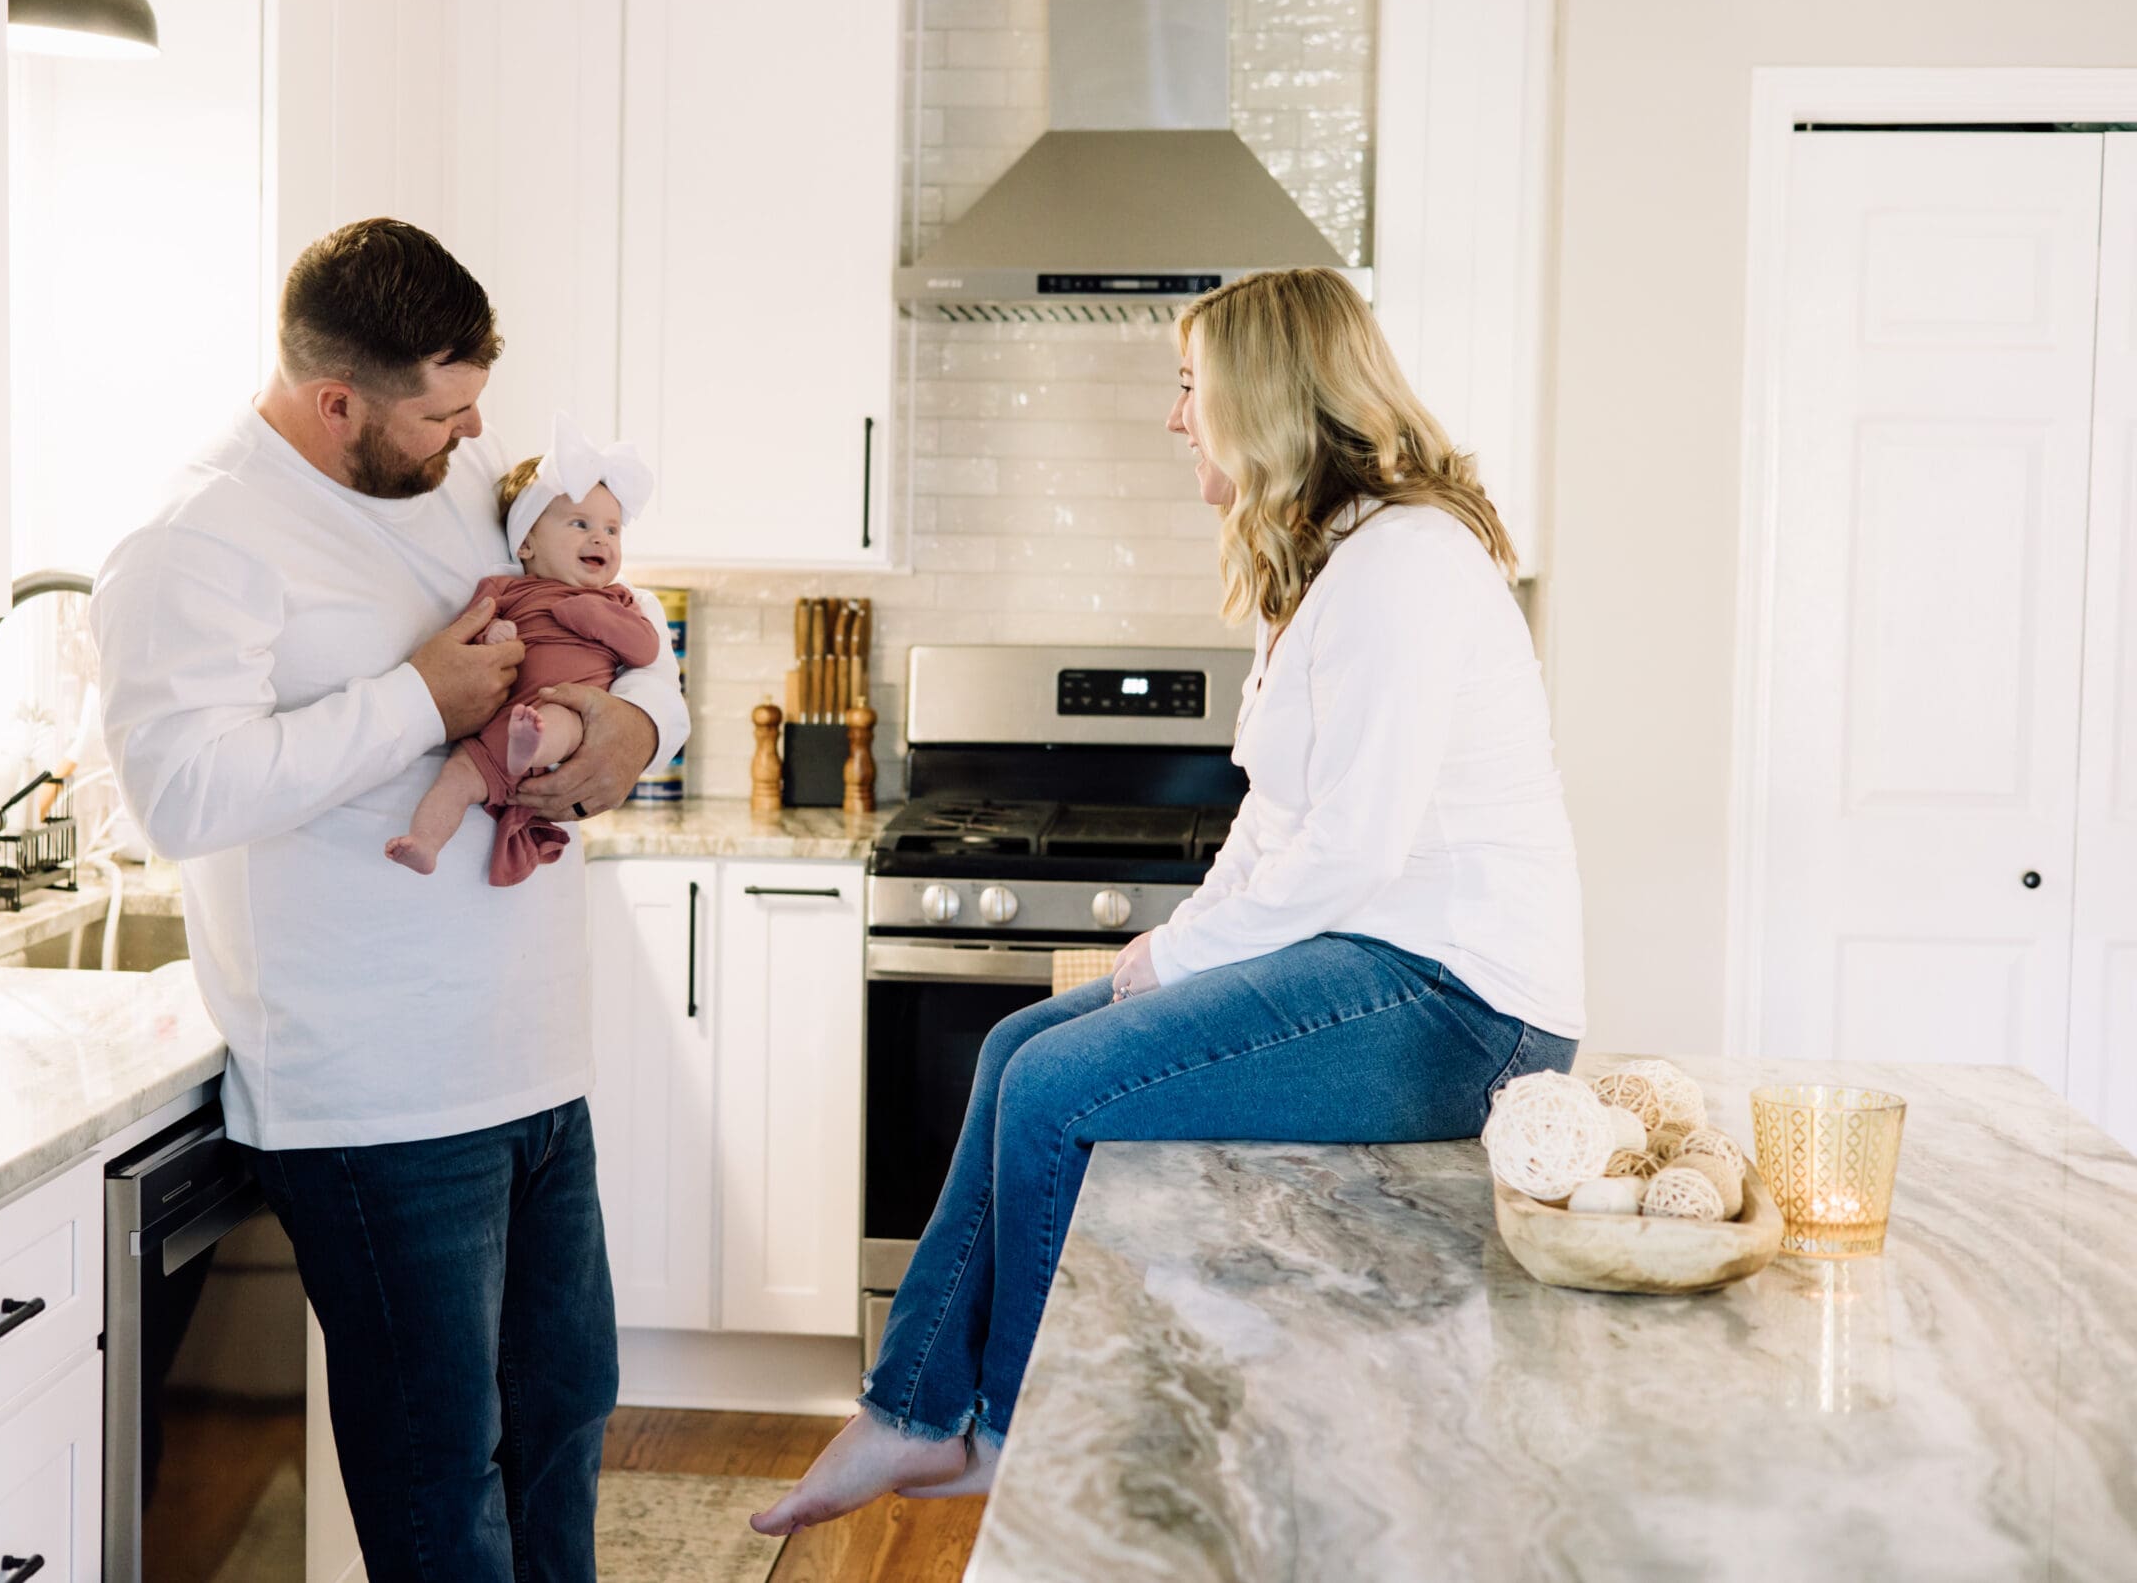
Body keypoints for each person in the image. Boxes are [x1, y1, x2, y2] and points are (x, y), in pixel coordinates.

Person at [752, 266, 1585, 1534]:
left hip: (1462, 1005)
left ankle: (1015, 1434)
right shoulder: (1327, 561)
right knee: (1019, 1042)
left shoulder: (1406, 564)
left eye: (1191, 385)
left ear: (1264, 397)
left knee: (1054, 1083)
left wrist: (1176, 965)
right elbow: (1273, 814)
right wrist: (1173, 943)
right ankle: (912, 1411)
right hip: (1383, 962)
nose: (1175, 415)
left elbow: (1354, 844)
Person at [93, 218, 688, 1581]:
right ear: (334, 399)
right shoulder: (199, 540)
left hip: (533, 1061)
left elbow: (613, 629)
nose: (475, 434)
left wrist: (627, 731)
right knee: (439, 1486)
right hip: (378, 1092)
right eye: (442, 410)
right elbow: (184, 794)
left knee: (563, 1419)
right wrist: (420, 697)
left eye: (476, 402)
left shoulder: (461, 469)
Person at [386, 417, 662, 883]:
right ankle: (424, 843)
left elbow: (646, 650)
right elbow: (469, 633)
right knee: (456, 779)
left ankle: (530, 745)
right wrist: (494, 635)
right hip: (496, 729)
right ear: (527, 543)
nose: (600, 539)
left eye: (612, 531)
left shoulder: (616, 600)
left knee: (561, 720)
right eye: (580, 524)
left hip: (566, 716)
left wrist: (595, 618)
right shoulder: (505, 590)